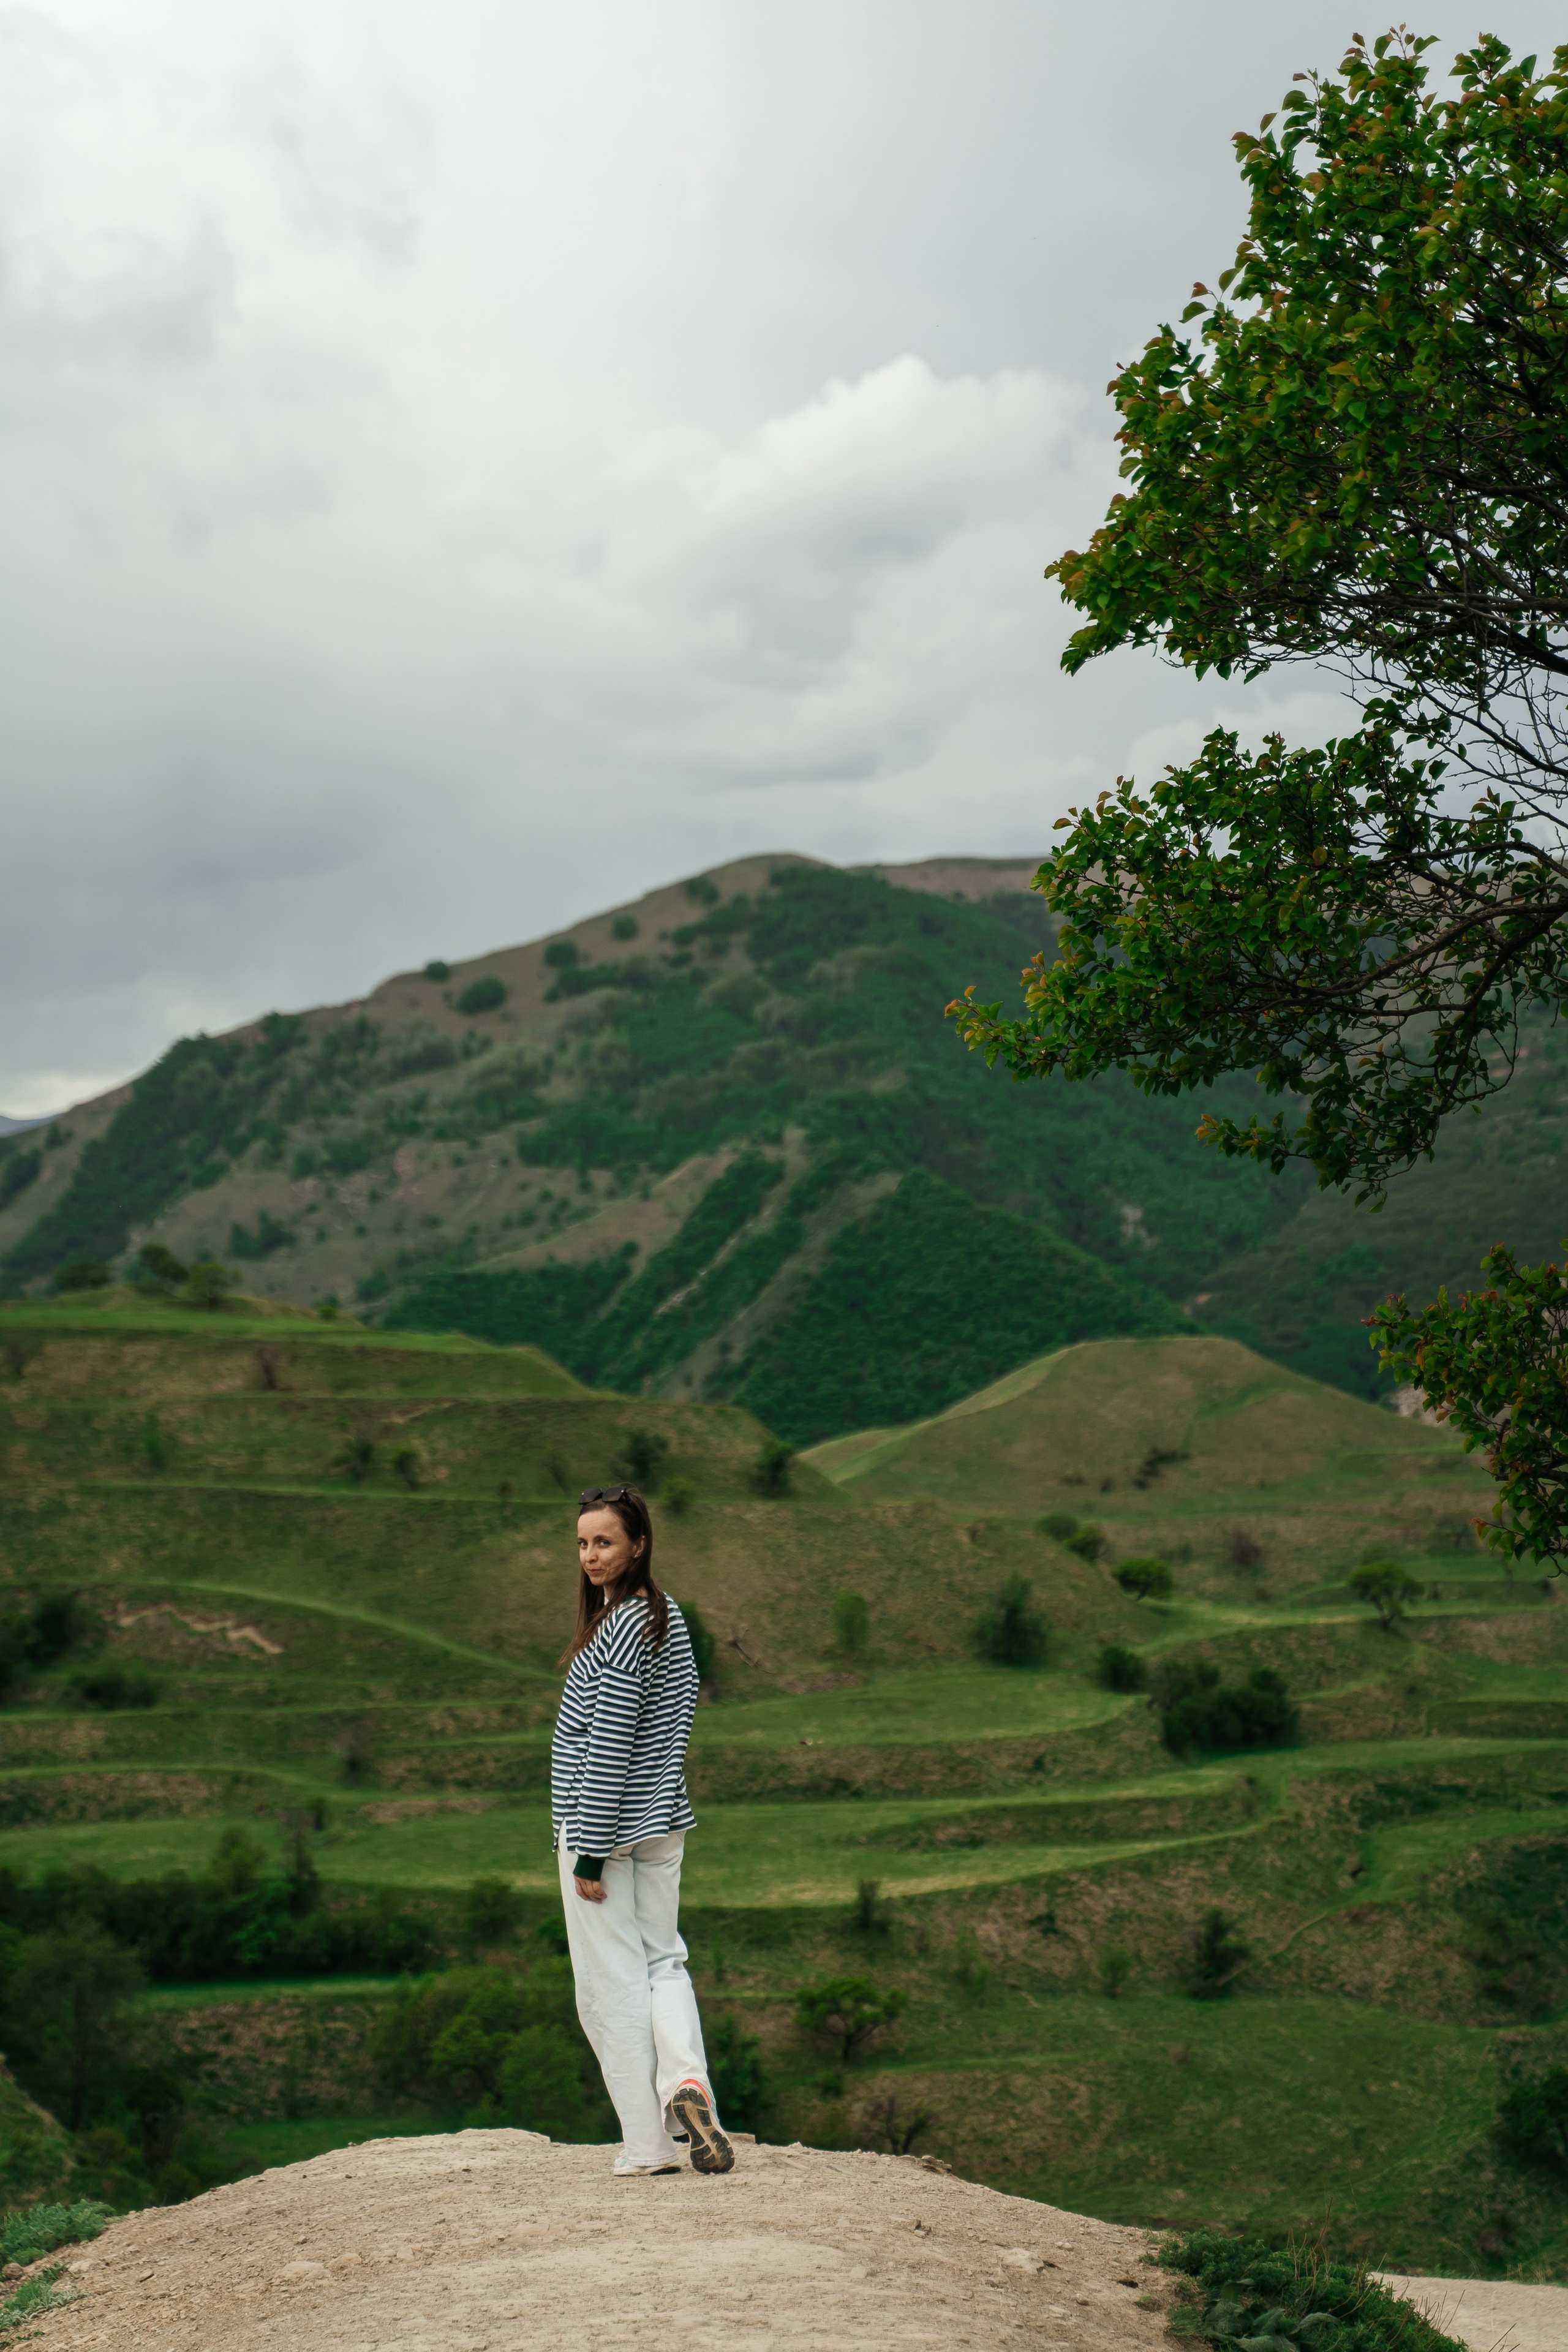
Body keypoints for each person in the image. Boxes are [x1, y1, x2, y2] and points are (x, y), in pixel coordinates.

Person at [551, 1480, 733, 2179]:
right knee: (664, 1963)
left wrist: (590, 1851)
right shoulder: (670, 1618)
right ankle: (687, 2084)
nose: (590, 1556)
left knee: (610, 1986)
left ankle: (649, 2147)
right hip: (663, 1822)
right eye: (582, 1543)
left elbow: (612, 1742)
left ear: (639, 1545)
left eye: (604, 1542)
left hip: (606, 1828)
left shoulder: (622, 1627)